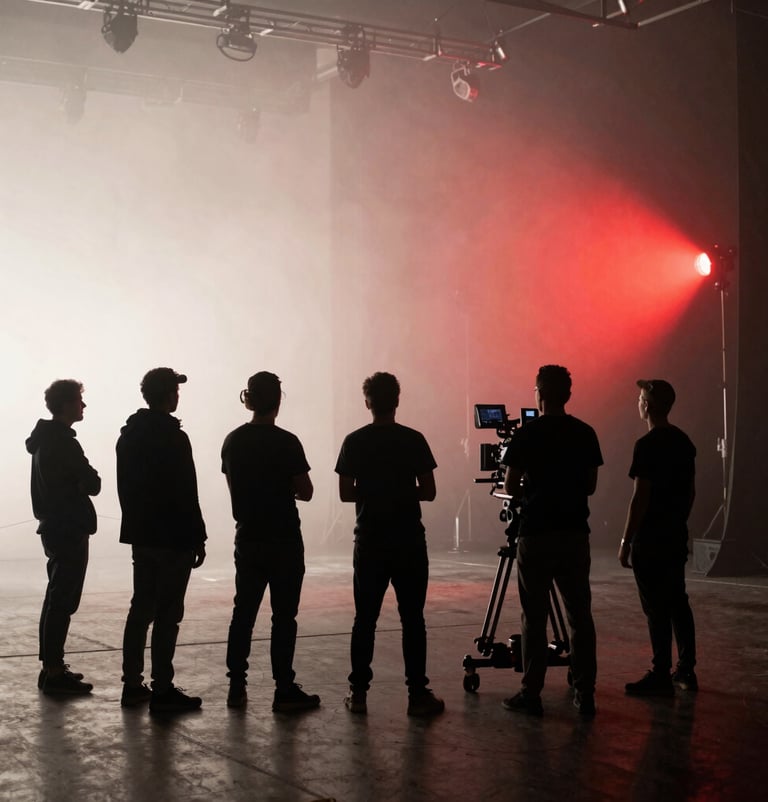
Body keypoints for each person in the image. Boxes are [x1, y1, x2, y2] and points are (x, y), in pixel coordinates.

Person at [335, 371, 444, 718]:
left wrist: (375, 492)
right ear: (397, 401)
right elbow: (429, 491)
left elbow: (345, 493)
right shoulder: (414, 439)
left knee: (365, 619)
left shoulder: (354, 441)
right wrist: (401, 492)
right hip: (408, 539)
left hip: (370, 540)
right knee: (412, 618)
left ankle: (359, 694)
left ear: (367, 403)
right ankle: (417, 694)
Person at [500, 365, 602, 717]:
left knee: (534, 618)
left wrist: (533, 489)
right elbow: (590, 486)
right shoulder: (585, 433)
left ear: (540, 394)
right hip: (574, 533)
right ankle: (585, 694)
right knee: (580, 616)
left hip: (537, 533)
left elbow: (510, 486)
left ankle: (531, 693)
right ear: (567, 395)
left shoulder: (527, 434)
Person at [221, 371, 320, 712]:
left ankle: (237, 685)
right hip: (284, 538)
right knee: (284, 617)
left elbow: (235, 490)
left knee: (243, 613)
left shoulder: (233, 441)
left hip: (249, 536)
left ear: (248, 399)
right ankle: (283, 688)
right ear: (278, 402)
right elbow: (306, 491)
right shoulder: (287, 442)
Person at [116, 368, 207, 713]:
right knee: (168, 614)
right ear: (169, 395)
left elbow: (125, 488)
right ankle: (163, 689)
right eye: (175, 390)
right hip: (173, 537)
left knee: (141, 609)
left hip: (142, 537)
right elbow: (186, 491)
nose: (177, 395)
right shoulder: (174, 437)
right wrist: (197, 536)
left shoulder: (128, 436)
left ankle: (132, 684)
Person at [620, 379, 698, 696]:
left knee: (656, 608)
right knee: (678, 601)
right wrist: (677, 521)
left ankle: (661, 673)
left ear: (648, 406)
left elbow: (640, 497)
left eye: (640, 398)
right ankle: (686, 670)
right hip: (674, 534)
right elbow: (690, 492)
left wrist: (626, 541)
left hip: (650, 538)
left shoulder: (646, 445)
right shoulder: (683, 442)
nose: (638, 402)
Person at [26, 379, 101, 695]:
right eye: (79, 400)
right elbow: (93, 482)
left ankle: (51, 667)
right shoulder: (63, 442)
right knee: (63, 601)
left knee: (55, 599)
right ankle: (54, 672)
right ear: (67, 404)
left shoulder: (43, 441)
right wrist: (84, 484)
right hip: (69, 528)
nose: (83, 406)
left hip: (54, 527)